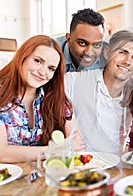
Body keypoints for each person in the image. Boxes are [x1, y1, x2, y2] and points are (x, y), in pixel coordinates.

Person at [0, 35, 86, 163]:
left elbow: (78, 145)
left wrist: (67, 148)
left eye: (51, 68)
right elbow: (3, 153)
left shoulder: (54, 98)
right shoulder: (2, 95)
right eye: (38, 61)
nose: (43, 72)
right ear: (22, 57)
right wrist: (55, 150)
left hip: (44, 179)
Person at [64, 30, 133, 154]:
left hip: (116, 166)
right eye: (122, 52)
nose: (128, 61)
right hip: (82, 165)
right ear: (107, 52)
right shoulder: (74, 81)